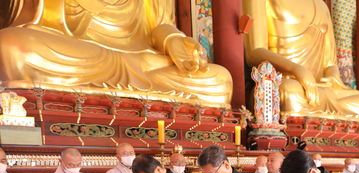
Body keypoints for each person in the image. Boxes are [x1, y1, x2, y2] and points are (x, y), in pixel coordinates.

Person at [1, 0, 232, 106]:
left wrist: (173, 39)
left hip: (142, 60)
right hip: (84, 55)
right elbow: (34, 22)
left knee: (220, 80)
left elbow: (159, 25)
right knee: (12, 47)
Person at [243, 0, 359, 122]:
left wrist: (332, 76)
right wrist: (297, 70)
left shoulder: (321, 6)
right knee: (289, 92)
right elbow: (254, 52)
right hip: (286, 84)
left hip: (320, 90)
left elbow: (330, 64)